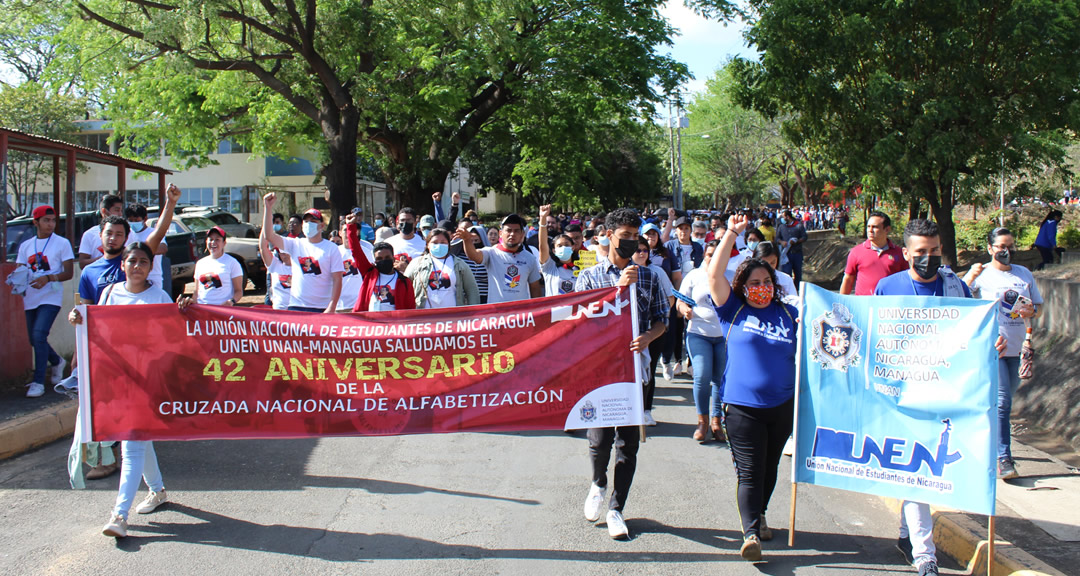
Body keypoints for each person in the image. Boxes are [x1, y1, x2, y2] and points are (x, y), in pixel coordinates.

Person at [874, 219, 1005, 576]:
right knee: (917, 468)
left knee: (923, 469)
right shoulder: (888, 288)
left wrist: (992, 344)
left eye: (934, 252)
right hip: (907, 395)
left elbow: (975, 333)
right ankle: (924, 555)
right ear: (906, 254)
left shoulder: (955, 286)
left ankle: (906, 535)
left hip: (948, 392)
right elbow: (877, 340)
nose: (928, 259)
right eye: (920, 253)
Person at [69, 242, 192, 538]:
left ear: (151, 267)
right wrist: (78, 319)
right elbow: (95, 325)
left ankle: (119, 515)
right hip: (119, 379)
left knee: (132, 441)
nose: (137, 266)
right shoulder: (110, 293)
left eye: (143, 262)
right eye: (132, 261)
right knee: (138, 437)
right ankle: (158, 491)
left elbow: (173, 334)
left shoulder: (159, 296)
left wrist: (184, 310)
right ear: (122, 264)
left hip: (148, 380)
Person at [706, 214, 798, 562]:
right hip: (742, 408)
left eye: (767, 280)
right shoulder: (733, 311)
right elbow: (715, 275)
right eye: (754, 281)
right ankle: (749, 534)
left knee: (770, 467)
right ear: (742, 285)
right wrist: (731, 232)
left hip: (782, 407)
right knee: (749, 470)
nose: (761, 286)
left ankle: (759, 515)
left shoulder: (788, 315)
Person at [577, 208, 669, 540]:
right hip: (602, 368)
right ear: (609, 235)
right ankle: (598, 483)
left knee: (627, 442)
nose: (631, 242)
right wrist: (617, 289)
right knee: (599, 439)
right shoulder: (590, 276)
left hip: (634, 369)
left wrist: (648, 337)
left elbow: (662, 318)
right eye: (625, 236)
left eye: (636, 236)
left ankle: (617, 508)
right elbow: (581, 321)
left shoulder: (651, 276)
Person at [963, 227, 1042, 480]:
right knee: (1002, 404)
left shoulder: (1024, 274)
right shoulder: (982, 275)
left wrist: (1032, 311)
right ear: (990, 249)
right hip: (992, 349)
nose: (1006, 251)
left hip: (1019, 349)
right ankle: (1004, 458)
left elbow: (1037, 307)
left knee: (1000, 404)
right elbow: (961, 303)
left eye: (1010, 246)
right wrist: (968, 278)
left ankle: (982, 444)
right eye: (1000, 247)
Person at [16, 206, 75, 397]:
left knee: (39, 334)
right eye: (46, 220)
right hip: (30, 297)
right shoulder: (26, 246)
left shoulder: (62, 243)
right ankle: (57, 361)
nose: (51, 224)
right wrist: (16, 280)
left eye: (53, 220)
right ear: (36, 223)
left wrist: (49, 278)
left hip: (51, 296)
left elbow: (68, 272)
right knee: (34, 339)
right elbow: (20, 269)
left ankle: (38, 381)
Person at [678, 239, 726, 443]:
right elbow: (680, 301)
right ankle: (702, 421)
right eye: (709, 255)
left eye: (717, 255)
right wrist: (684, 310)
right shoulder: (693, 276)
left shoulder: (730, 276)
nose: (713, 258)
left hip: (723, 336)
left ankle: (717, 421)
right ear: (703, 256)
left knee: (720, 379)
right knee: (702, 375)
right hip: (698, 332)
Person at [262, 194, 344, 313]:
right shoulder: (295, 244)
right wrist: (268, 208)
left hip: (322, 307)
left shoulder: (331, 248)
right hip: (297, 305)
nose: (308, 224)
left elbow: (337, 279)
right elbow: (269, 235)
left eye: (313, 221)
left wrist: (332, 306)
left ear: (321, 225)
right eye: (306, 221)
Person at [631, 236, 674, 427]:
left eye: (645, 250)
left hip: (652, 330)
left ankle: (646, 410)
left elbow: (669, 298)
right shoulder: (623, 272)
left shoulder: (656, 273)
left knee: (648, 370)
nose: (641, 253)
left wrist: (657, 319)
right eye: (638, 250)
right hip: (629, 332)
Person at [460, 213, 542, 303]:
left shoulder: (530, 258)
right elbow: (474, 255)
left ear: (522, 234)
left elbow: (535, 288)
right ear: (501, 233)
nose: (512, 234)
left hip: (520, 314)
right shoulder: (491, 252)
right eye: (508, 230)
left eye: (516, 231)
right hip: (496, 314)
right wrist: (466, 240)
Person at [345, 214, 416, 312]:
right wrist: (351, 227)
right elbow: (356, 250)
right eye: (379, 258)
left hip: (394, 325)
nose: (383, 260)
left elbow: (411, 310)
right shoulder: (369, 274)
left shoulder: (404, 281)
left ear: (393, 258)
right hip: (370, 324)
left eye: (387, 257)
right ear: (375, 261)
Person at [662, 213, 703, 379]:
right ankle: (678, 359)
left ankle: (691, 363)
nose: (683, 232)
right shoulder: (670, 246)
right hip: (676, 291)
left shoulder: (698, 247)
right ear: (676, 231)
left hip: (694, 292)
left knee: (692, 326)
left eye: (686, 229)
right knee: (677, 328)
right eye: (680, 229)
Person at [406, 227, 479, 308]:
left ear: (449, 245)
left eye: (443, 242)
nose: (439, 245)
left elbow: (472, 290)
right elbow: (404, 286)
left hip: (452, 317)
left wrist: (474, 313)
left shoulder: (460, 264)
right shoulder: (417, 263)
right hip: (424, 317)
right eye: (435, 242)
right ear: (427, 245)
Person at [840, 211, 908, 295]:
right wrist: (841, 303)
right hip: (863, 305)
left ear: (887, 229)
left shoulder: (899, 253)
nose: (870, 230)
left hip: (889, 305)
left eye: (875, 227)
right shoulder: (856, 252)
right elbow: (848, 279)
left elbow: (906, 280)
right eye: (868, 227)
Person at [193, 226, 244, 306]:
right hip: (202, 310)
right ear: (206, 242)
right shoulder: (200, 263)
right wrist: (191, 301)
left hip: (222, 312)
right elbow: (196, 291)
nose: (213, 242)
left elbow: (239, 291)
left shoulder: (232, 263)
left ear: (224, 243)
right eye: (211, 239)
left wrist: (231, 301)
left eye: (217, 240)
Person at [537, 205, 579, 296]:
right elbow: (542, 245)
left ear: (573, 247)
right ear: (554, 250)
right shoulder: (549, 267)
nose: (563, 247)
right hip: (553, 309)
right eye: (559, 246)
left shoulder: (580, 269)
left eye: (567, 245)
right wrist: (543, 218)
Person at [123, 204, 167, 289]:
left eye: (136, 220)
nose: (133, 223)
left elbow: (163, 248)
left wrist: (142, 250)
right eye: (130, 220)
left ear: (145, 219)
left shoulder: (153, 233)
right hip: (132, 277)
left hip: (152, 277)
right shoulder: (127, 234)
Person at [79, 194, 124, 268]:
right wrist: (104, 259)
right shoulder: (89, 234)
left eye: (121, 210)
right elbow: (82, 263)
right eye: (116, 210)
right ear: (104, 211)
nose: (120, 214)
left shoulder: (130, 233)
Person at [338, 216, 372, 311]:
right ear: (340, 233)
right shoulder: (334, 252)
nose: (347, 233)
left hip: (359, 304)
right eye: (345, 230)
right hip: (339, 305)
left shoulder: (366, 252)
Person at [260, 213, 294, 310]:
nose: (283, 254)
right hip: (279, 312)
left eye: (285, 251)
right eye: (280, 252)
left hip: (297, 313)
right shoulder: (275, 266)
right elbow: (263, 247)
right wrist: (266, 223)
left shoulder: (300, 267)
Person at [776, 209, 808, 286]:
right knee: (787, 274)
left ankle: (797, 289)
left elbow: (804, 237)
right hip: (786, 255)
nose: (782, 219)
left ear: (787, 217)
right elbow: (777, 239)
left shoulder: (799, 226)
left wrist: (797, 241)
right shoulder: (781, 227)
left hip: (797, 253)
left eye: (783, 217)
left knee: (798, 274)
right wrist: (781, 242)